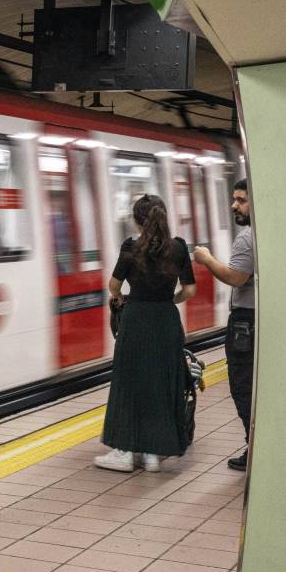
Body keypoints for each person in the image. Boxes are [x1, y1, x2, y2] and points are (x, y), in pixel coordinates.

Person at [94, 194, 197, 473]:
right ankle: (153, 454)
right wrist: (169, 300)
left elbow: (113, 286)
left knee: (130, 382)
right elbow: (189, 290)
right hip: (165, 319)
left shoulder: (131, 247)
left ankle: (125, 452)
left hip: (136, 319)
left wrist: (124, 297)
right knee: (163, 382)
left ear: (137, 220)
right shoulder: (178, 248)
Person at [194, 178, 255, 470]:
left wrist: (206, 259)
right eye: (234, 199)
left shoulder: (247, 237)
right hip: (258, 320)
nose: (234, 205)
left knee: (243, 388)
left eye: (241, 200)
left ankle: (254, 450)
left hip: (246, 324)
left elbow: (235, 278)